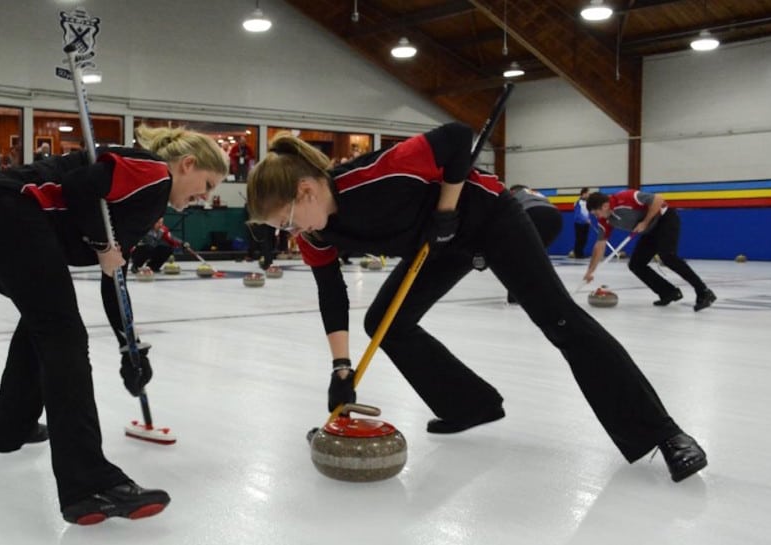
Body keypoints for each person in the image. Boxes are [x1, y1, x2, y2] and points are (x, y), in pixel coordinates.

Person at [246, 123, 707, 483]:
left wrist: (446, 209)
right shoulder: (317, 233)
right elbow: (332, 293)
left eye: (286, 223)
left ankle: (664, 434)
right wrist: (340, 369)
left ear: (305, 191)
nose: (291, 235)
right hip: (439, 243)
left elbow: (455, 139)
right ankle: (470, 404)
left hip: (489, 219)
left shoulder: (377, 174)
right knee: (386, 320)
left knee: (561, 320)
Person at [0, 125, 228, 524]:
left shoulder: (140, 204)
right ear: (187, 165)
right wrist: (101, 245)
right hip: (8, 210)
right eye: (208, 183)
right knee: (62, 333)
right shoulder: (154, 174)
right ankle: (88, 484)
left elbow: (114, 279)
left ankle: (12, 426)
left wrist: (129, 349)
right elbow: (82, 186)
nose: (206, 196)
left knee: (43, 322)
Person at [584, 190, 716, 312]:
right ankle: (668, 292)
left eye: (596, 213)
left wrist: (645, 222)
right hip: (650, 230)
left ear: (605, 206)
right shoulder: (605, 219)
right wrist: (590, 271)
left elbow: (658, 199)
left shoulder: (626, 198)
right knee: (636, 264)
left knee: (667, 256)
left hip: (665, 219)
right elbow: (600, 245)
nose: (597, 217)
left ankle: (704, 292)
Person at [506, 183, 562, 304]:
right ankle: (548, 293)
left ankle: (514, 296)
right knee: (538, 258)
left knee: (518, 256)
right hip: (555, 216)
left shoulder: (514, 195)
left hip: (532, 213)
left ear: (513, 191)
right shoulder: (536, 193)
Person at [572, 187, 590, 258]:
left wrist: (588, 219)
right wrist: (585, 219)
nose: (589, 195)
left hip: (586, 224)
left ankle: (581, 253)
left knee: (584, 239)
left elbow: (587, 212)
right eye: (588, 193)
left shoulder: (587, 202)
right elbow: (577, 214)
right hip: (579, 224)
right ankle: (578, 254)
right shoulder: (578, 202)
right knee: (579, 239)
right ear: (584, 194)